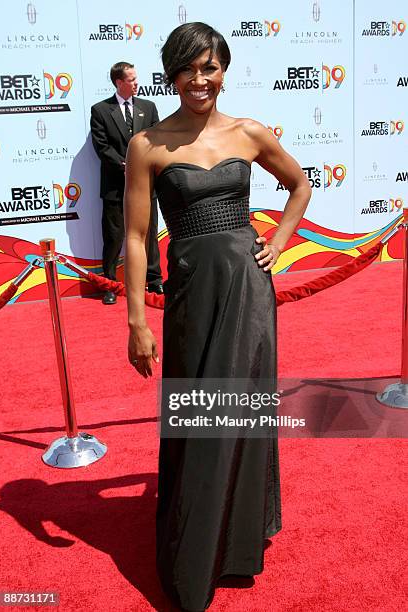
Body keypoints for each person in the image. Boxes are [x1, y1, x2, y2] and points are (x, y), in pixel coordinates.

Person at [124, 23, 311, 611]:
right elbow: (134, 236)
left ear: (223, 70)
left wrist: (279, 239)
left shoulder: (250, 132)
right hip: (190, 294)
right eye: (188, 68)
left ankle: (234, 543)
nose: (199, 80)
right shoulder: (148, 144)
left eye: (210, 67)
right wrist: (136, 320)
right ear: (171, 75)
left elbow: (300, 185)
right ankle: (192, 554)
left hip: (249, 292)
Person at [90, 61, 163, 305]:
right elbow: (102, 146)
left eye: (135, 78)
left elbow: (156, 140)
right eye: (131, 79)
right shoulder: (100, 110)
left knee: (150, 234)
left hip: (146, 186)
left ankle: (154, 281)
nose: (136, 83)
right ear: (119, 82)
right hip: (115, 185)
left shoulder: (148, 107)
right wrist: (126, 165)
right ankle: (109, 283)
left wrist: (142, 166)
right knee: (114, 236)